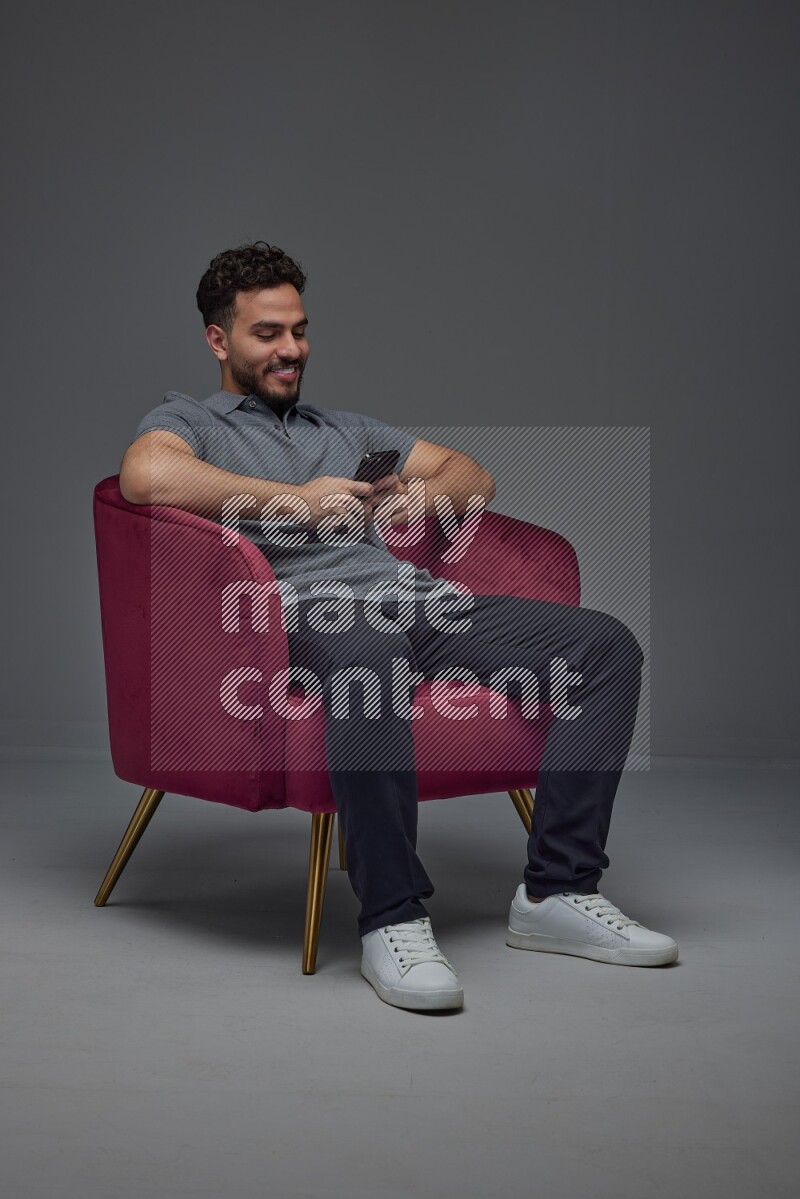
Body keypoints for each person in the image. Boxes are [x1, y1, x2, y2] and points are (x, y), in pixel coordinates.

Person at [120, 240, 678, 1013]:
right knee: (367, 650)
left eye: (300, 330)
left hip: (418, 602)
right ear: (219, 339)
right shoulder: (189, 420)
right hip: (302, 616)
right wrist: (295, 501)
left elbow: (471, 472)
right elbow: (144, 476)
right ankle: (393, 916)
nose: (292, 350)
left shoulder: (342, 426)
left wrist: (428, 499)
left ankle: (557, 890)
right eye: (268, 333)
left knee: (605, 645)